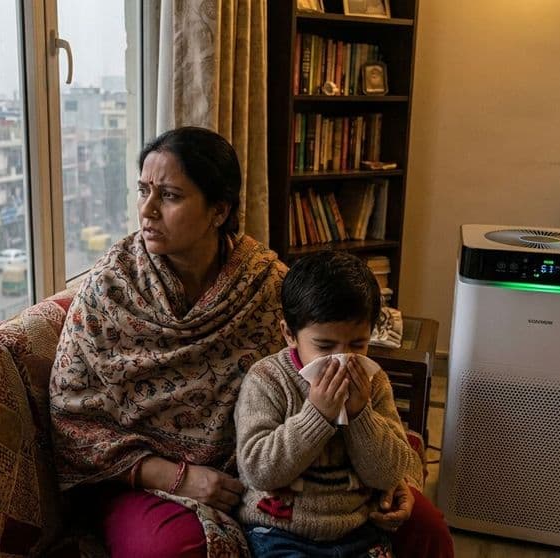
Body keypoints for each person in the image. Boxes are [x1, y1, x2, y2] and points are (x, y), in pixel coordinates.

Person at [50, 127, 451, 557]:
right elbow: (73, 418)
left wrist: (398, 482)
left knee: (424, 527)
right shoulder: (110, 290)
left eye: (168, 195)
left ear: (218, 210)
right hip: (140, 478)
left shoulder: (266, 286)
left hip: (284, 477)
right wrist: (174, 476)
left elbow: (333, 377)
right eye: (143, 190)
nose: (146, 210)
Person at [235, 251, 424, 557]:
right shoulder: (268, 379)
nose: (342, 358)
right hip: (281, 531)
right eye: (324, 346)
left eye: (357, 345)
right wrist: (317, 415)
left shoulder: (373, 382)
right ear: (289, 334)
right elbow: (260, 472)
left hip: (358, 530)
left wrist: (361, 414)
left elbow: (389, 473)